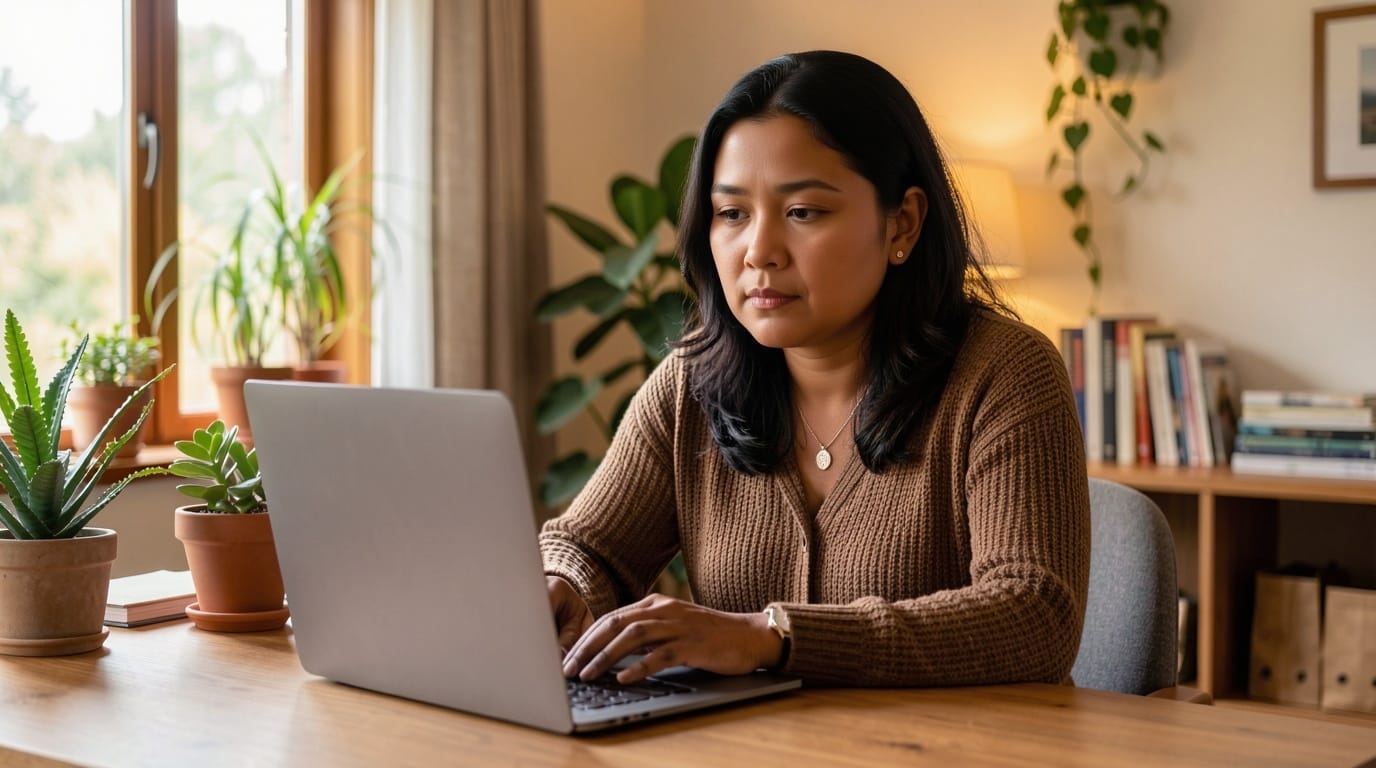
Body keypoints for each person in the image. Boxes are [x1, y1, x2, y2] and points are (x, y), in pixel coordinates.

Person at [542, 50, 1089, 688]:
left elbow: (1034, 615)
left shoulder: (1005, 375)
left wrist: (773, 637)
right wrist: (566, 589)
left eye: (803, 212)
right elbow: (588, 548)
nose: (760, 252)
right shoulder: (691, 386)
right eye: (732, 214)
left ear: (902, 223)